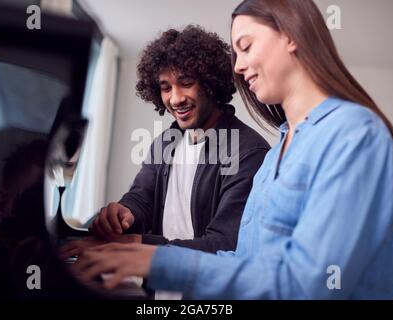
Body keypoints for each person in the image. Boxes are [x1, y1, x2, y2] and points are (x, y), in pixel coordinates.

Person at [71, 0, 393, 300]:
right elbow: (245, 260)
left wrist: (156, 257)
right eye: (236, 54)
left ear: (291, 35)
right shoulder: (278, 152)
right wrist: (136, 250)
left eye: (245, 47)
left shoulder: (354, 135)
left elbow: (309, 284)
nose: (239, 66)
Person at [62, 25, 269, 259]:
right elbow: (142, 196)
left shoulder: (249, 153)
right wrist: (126, 212)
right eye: (166, 88)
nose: (176, 98)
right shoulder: (166, 143)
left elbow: (225, 245)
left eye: (186, 82)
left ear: (211, 83)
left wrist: (139, 244)